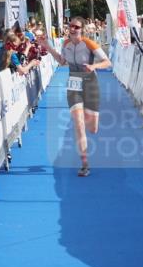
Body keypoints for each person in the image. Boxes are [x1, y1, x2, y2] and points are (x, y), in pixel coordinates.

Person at [39, 16, 111, 177]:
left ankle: (88, 119)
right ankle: (85, 164)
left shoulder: (89, 44)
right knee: (78, 124)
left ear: (82, 30)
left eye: (76, 27)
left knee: (93, 129)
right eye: (71, 26)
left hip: (90, 84)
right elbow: (62, 61)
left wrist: (94, 66)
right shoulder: (66, 44)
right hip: (74, 84)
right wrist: (47, 47)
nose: (72, 29)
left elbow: (107, 62)